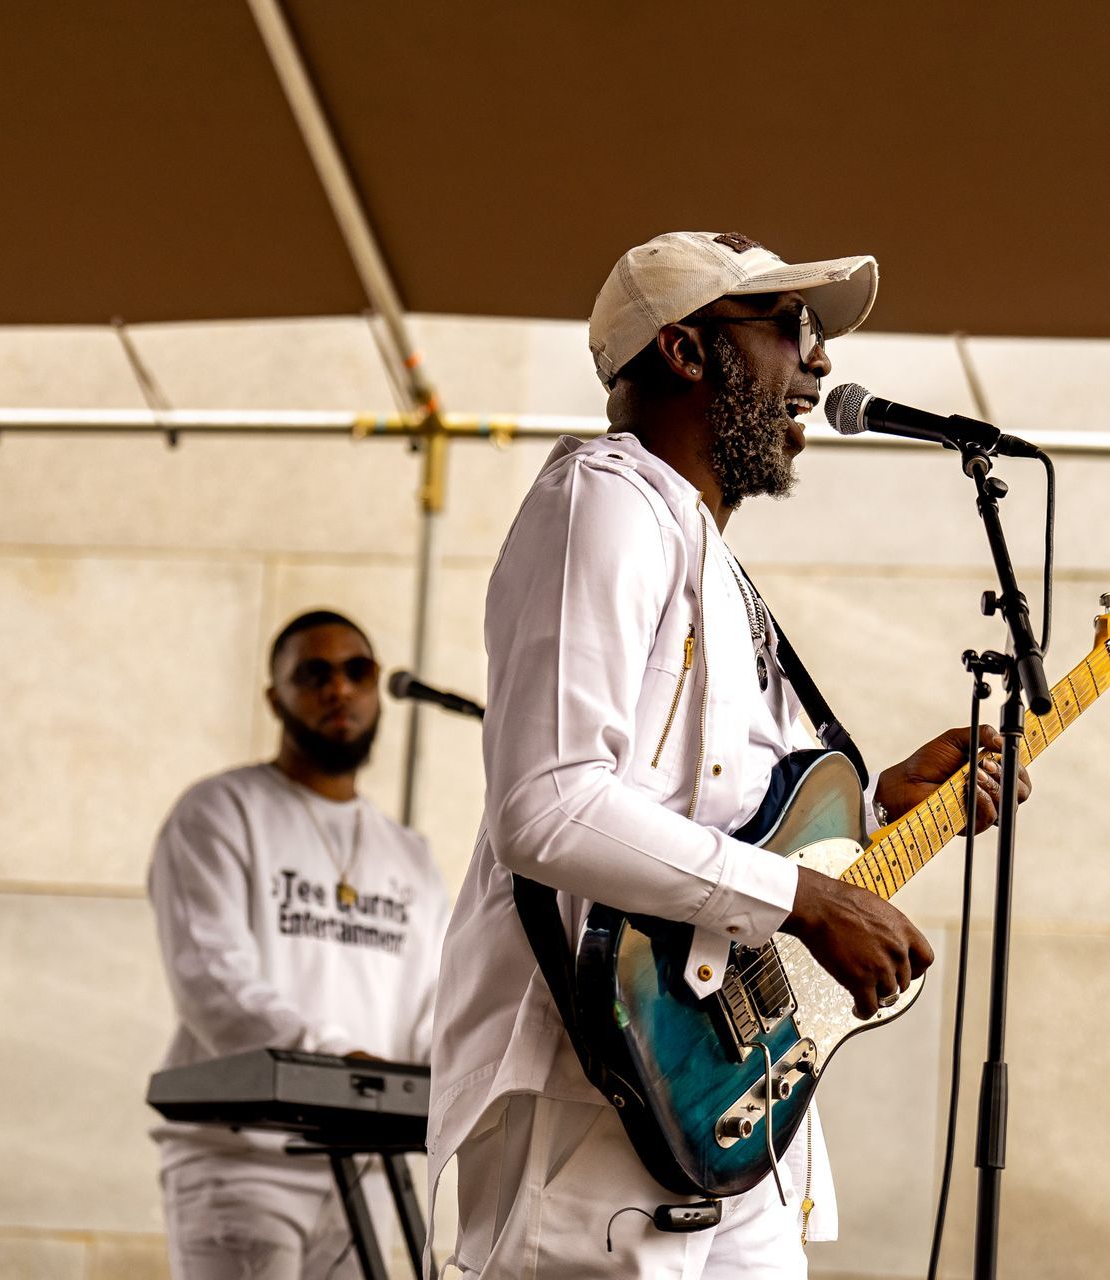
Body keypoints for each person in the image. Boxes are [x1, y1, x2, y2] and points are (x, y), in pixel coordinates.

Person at [427, 232, 1031, 1278]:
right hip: (598, 1103)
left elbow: (722, 820)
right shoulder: (604, 499)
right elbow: (548, 804)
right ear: (684, 349)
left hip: (721, 1112)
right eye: (793, 327)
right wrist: (807, 898)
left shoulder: (711, 559)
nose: (821, 361)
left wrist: (877, 812)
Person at [148, 609, 452, 1280]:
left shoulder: (408, 854)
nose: (338, 689)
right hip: (244, 1163)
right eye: (313, 674)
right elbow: (212, 979)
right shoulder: (218, 812)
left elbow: (439, 997)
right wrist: (336, 1059)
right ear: (275, 697)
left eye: (356, 671)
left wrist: (449, 1069)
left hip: (370, 1162)